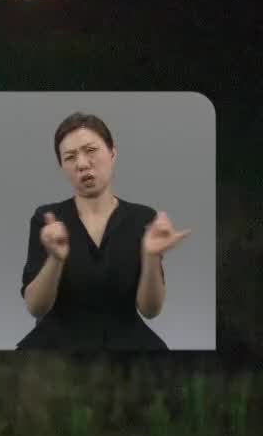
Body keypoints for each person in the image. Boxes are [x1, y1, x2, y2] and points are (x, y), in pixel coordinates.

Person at [18, 112, 193, 350]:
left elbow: (150, 311)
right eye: (69, 157)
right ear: (62, 167)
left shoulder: (142, 218)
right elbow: (35, 308)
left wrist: (151, 256)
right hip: (57, 344)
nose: (81, 164)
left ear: (112, 153)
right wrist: (56, 259)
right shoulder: (48, 220)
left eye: (90, 150)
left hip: (127, 342)